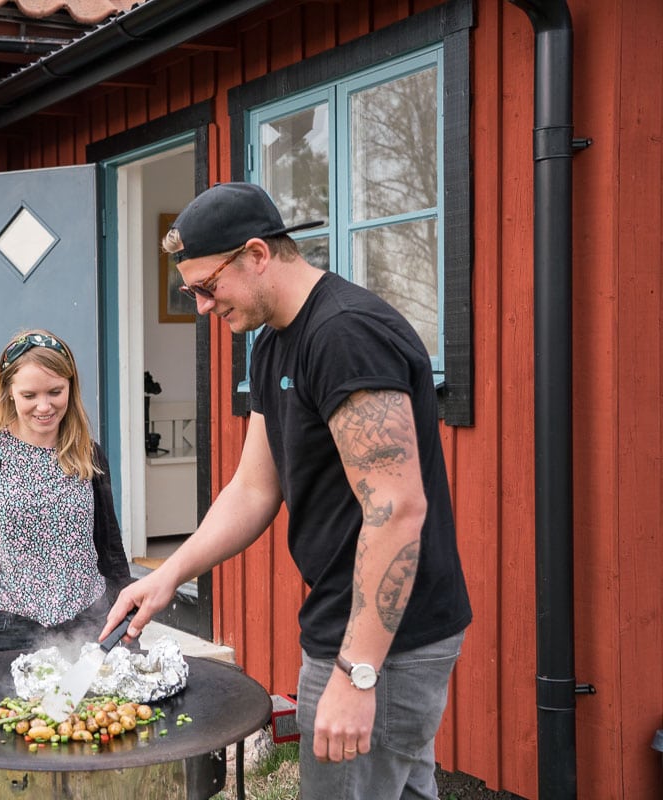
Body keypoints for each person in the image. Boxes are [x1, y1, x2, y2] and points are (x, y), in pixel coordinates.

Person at [101, 183, 471, 799]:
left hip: (388, 639)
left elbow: (398, 510)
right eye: (190, 291)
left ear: (255, 254)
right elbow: (253, 487)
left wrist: (356, 674)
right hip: (347, 617)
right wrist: (169, 575)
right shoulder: (274, 342)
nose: (199, 306)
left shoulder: (345, 335)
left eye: (205, 287)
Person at [0, 328, 131, 660]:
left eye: (55, 392)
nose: (44, 406)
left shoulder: (89, 454)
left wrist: (125, 624)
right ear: (8, 392)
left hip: (89, 623)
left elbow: (110, 549)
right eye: (29, 395)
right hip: (8, 632)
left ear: (70, 387)